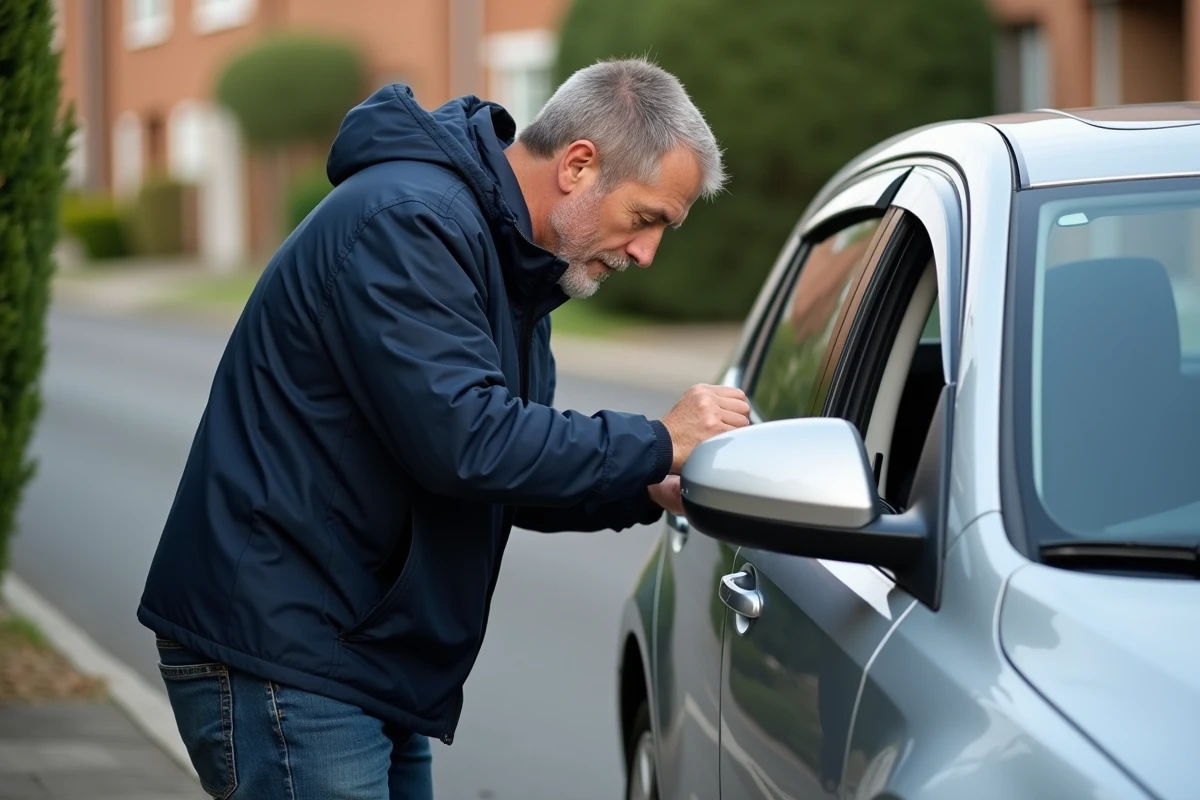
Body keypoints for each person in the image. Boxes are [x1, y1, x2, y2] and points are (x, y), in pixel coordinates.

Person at [137, 57, 747, 799]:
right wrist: (657, 436)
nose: (648, 253)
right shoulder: (413, 222)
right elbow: (470, 444)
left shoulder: (513, 262)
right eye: (647, 218)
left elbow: (505, 475)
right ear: (580, 166)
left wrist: (646, 484)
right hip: (288, 653)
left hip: (356, 657)